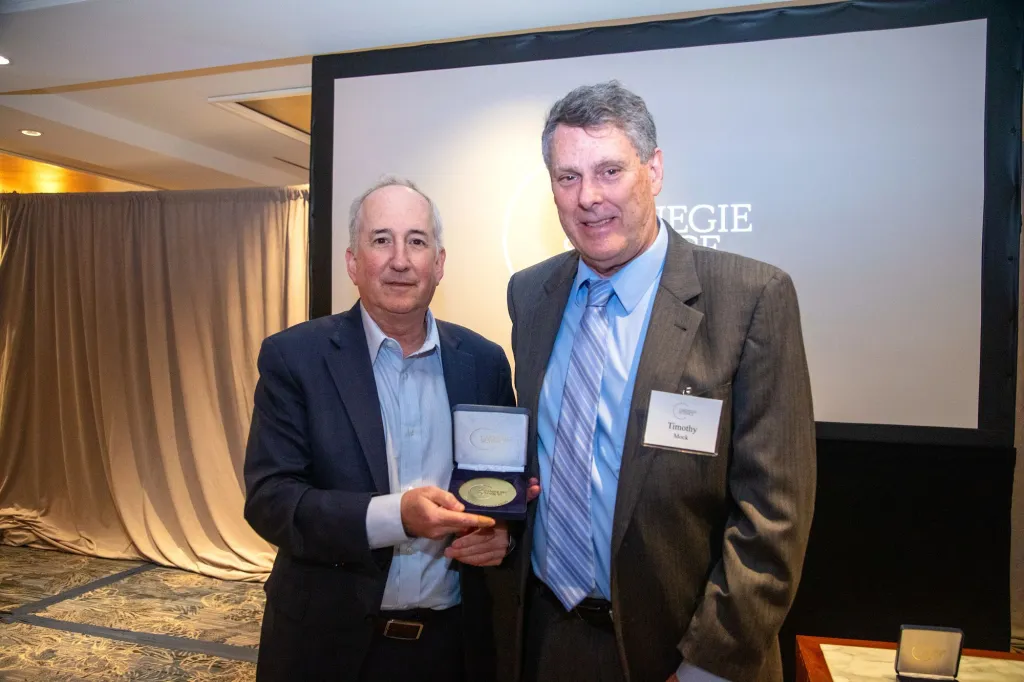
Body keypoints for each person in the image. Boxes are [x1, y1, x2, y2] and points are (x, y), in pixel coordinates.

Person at [503, 81, 816, 682]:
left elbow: (772, 519)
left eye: (610, 171)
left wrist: (705, 667)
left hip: (682, 649)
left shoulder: (750, 298)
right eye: (568, 178)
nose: (589, 197)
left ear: (655, 169)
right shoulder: (531, 295)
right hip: (548, 638)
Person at [245, 176, 526, 681]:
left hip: (457, 649)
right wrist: (396, 517)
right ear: (353, 262)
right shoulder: (295, 358)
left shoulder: (484, 362)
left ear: (438, 264)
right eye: (381, 240)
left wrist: (502, 536)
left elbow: (504, 490)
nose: (400, 259)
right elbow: (272, 500)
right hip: (326, 648)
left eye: (417, 241)